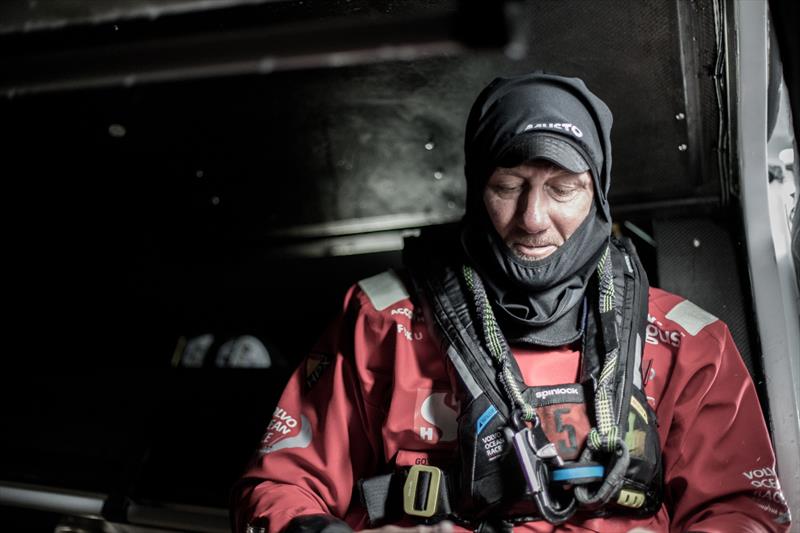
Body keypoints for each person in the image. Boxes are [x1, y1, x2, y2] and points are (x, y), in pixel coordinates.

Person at [231, 73, 791, 532]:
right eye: (508, 185)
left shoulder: (686, 344)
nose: (532, 218)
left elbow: (741, 510)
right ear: (477, 187)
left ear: (598, 191)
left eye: (563, 188)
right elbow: (280, 487)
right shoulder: (384, 325)